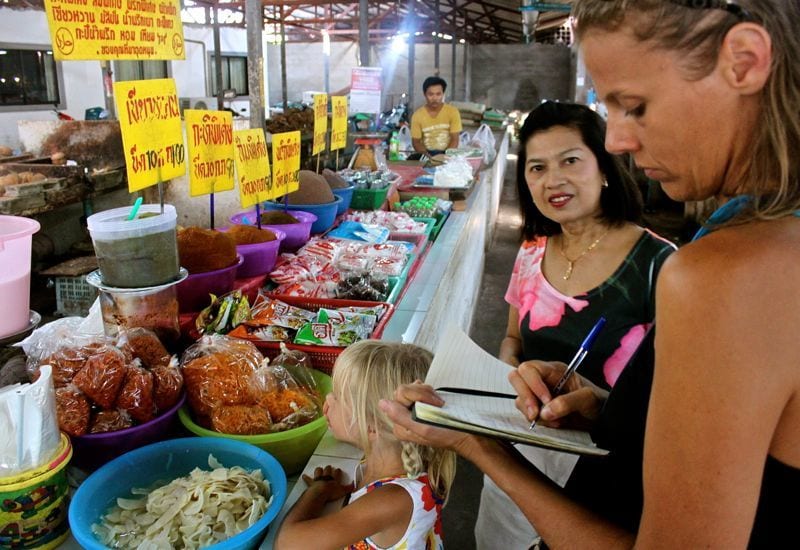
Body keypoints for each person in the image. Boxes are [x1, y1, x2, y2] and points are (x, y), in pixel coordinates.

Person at [380, 0, 800, 547]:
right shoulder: (763, 238)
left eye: (635, 106)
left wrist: (478, 444)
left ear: (744, 61)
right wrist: (611, 409)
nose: (619, 140)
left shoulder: (723, 274)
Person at [475, 100, 676, 550]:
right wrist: (513, 375)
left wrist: (603, 404)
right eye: (537, 168)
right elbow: (512, 339)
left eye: (570, 160)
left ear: (604, 167)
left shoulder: (660, 267)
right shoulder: (531, 250)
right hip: (521, 452)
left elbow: (679, 405)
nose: (553, 180)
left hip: (607, 474)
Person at [275, 340, 456, 550]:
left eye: (337, 397)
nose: (327, 401)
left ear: (371, 427)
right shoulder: (411, 454)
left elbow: (286, 544)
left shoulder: (391, 501)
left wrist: (318, 490)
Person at [410, 76, 462, 156]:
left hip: (448, 153)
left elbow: (455, 140)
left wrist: (445, 157)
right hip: (426, 154)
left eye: (438, 94)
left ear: (443, 94)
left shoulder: (453, 112)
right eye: (430, 94)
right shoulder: (417, 115)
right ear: (425, 94)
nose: (434, 98)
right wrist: (428, 157)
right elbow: (416, 142)